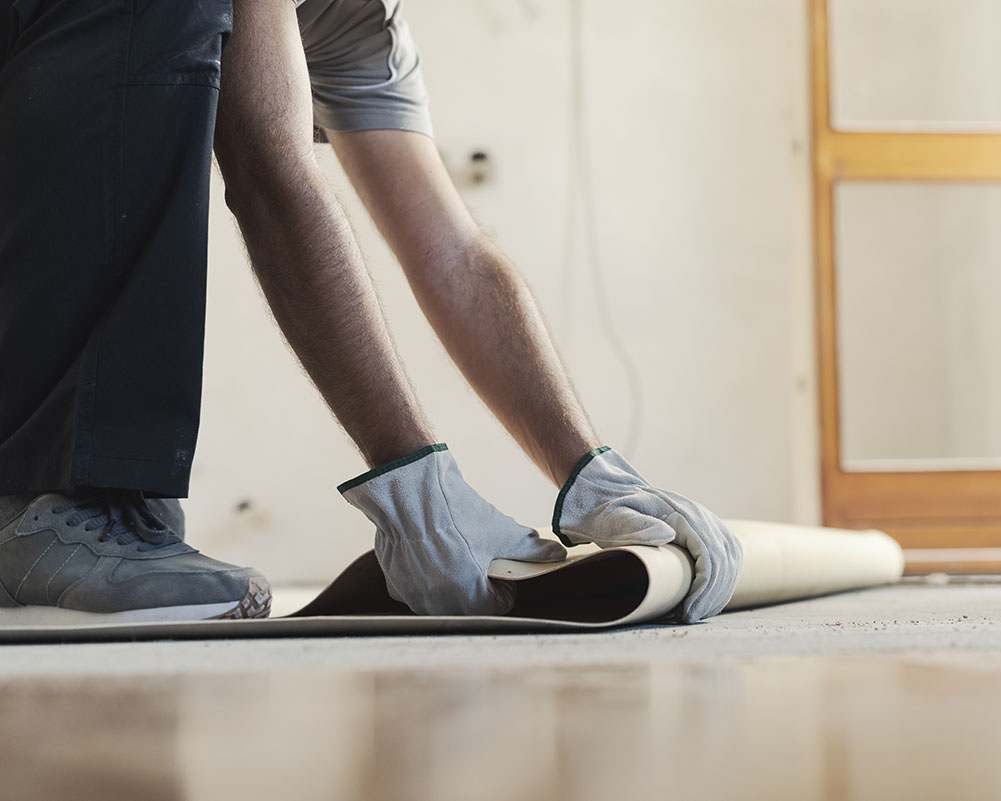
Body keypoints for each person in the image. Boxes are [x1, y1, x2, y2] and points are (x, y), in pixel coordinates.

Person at [0, 0, 742, 625]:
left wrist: (589, 468)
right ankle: (54, 503)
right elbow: (271, 174)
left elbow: (453, 250)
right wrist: (413, 484)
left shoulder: (365, 25)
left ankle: (69, 505)